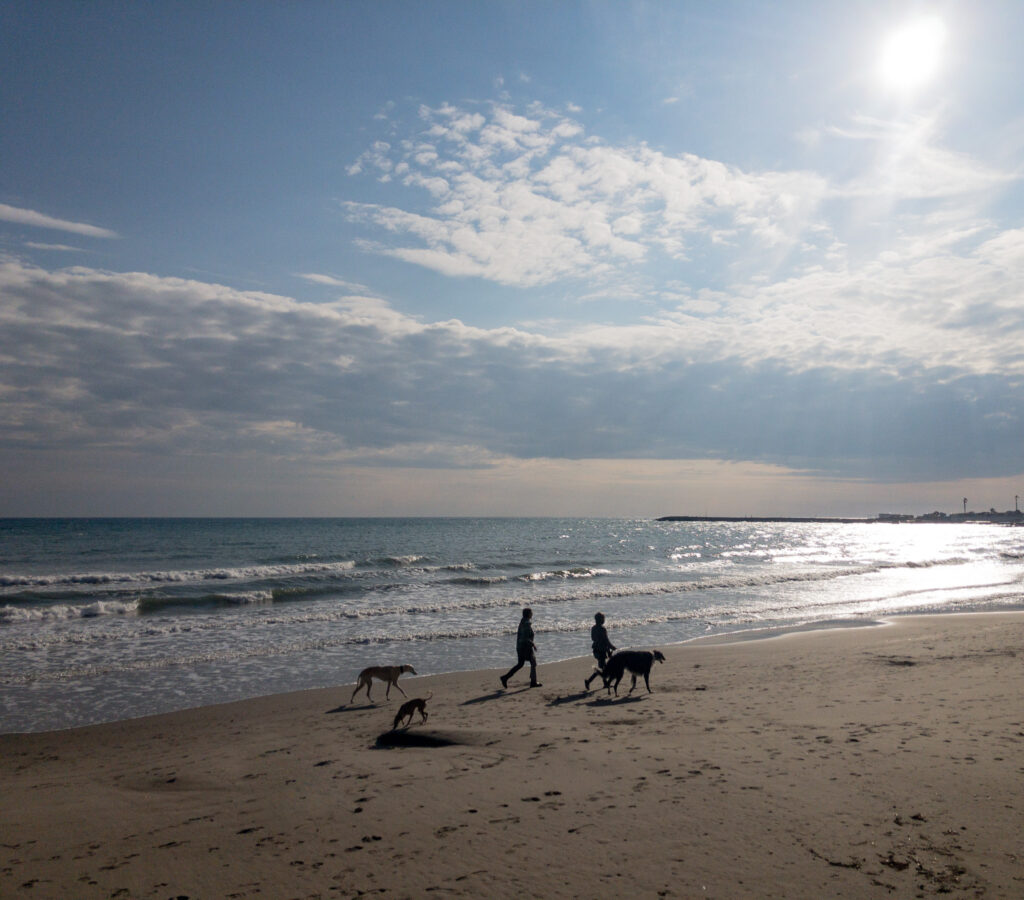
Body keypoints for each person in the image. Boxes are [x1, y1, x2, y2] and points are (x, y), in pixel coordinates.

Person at [501, 608, 541, 688]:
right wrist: (533, 644)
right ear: (529, 614)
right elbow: (526, 637)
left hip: (520, 646)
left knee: (520, 664)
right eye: (531, 612)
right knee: (533, 662)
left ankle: (505, 677)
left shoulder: (523, 621)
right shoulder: (526, 623)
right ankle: (533, 682)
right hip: (525, 647)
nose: (532, 614)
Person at [584, 611, 616, 690]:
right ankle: (588, 681)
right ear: (601, 620)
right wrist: (612, 647)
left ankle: (605, 683)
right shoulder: (602, 629)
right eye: (603, 618)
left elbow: (593, 638)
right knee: (601, 669)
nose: (604, 620)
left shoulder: (593, 628)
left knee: (603, 668)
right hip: (601, 650)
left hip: (596, 650)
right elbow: (606, 640)